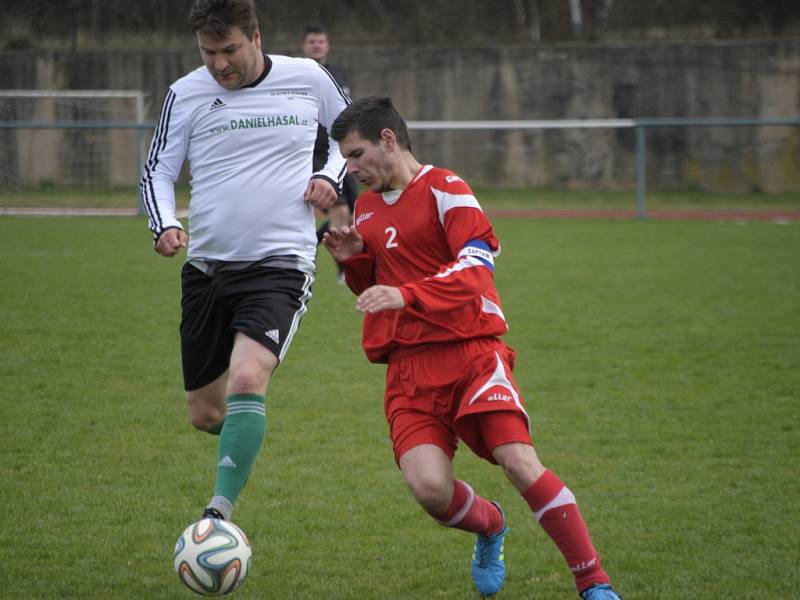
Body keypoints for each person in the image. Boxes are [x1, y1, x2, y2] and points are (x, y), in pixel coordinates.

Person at [322, 96, 622, 600]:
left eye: (355, 155)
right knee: (429, 490)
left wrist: (407, 293)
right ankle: (489, 525)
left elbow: (476, 269)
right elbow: (379, 290)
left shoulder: (447, 188)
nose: (349, 169)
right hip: (409, 369)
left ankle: (594, 584)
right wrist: (355, 263)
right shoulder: (367, 209)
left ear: (388, 140)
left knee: (518, 461)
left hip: (471, 355)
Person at [139, 0, 349, 524]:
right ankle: (243, 433)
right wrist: (164, 223)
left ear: (255, 36)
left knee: (248, 380)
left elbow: (351, 136)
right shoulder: (185, 93)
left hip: (281, 265)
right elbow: (158, 172)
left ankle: (218, 514)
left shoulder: (308, 77)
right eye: (208, 53)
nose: (219, 64)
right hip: (207, 268)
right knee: (206, 413)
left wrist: (329, 176)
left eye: (229, 49)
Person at [300, 24, 358, 280]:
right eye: (312, 41)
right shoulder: (300, 75)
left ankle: (309, 245)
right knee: (341, 211)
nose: (317, 45)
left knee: (352, 214)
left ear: (327, 45)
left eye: (321, 41)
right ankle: (343, 271)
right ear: (304, 46)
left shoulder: (338, 75)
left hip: (341, 151)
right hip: (316, 153)